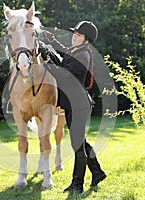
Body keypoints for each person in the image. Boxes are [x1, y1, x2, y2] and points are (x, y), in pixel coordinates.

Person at [40, 21, 106, 193]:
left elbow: (64, 75)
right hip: (73, 105)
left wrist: (47, 63)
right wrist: (50, 42)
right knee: (81, 141)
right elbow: (63, 53)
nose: (74, 36)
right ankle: (97, 172)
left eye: (78, 35)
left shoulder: (83, 55)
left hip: (78, 106)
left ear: (86, 40)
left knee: (77, 146)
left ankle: (77, 185)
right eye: (74, 33)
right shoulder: (76, 51)